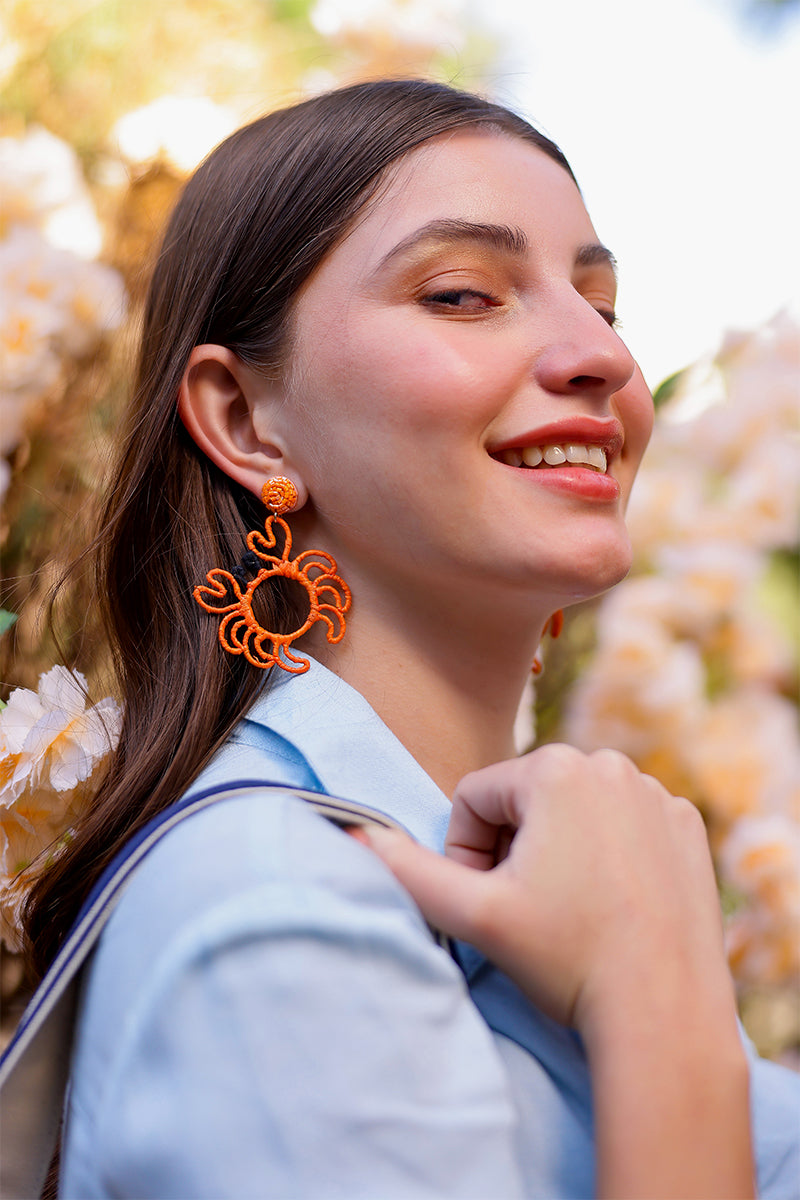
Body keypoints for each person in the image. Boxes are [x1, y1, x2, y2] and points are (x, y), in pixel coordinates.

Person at [21, 78, 799, 1199]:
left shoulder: (566, 876)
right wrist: (659, 1001)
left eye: (604, 306)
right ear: (246, 420)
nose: (602, 357)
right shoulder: (273, 914)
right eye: (461, 294)